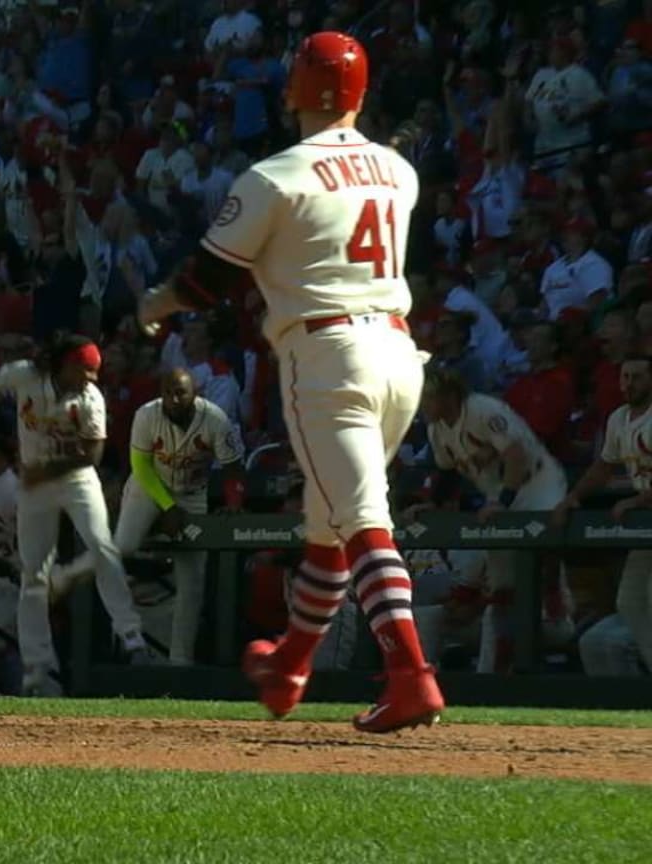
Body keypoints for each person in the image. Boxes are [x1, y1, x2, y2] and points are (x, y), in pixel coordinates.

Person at [139, 31, 444, 733]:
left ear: (291, 93)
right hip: (400, 355)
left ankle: (411, 674)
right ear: (362, 93)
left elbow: (206, 281)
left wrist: (156, 302)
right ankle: (291, 665)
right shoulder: (400, 170)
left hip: (328, 353)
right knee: (328, 524)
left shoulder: (275, 176)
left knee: (363, 520)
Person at [0, 333, 148, 697]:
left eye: (95, 372)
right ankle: (37, 670)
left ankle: (131, 637)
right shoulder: (25, 375)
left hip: (74, 479)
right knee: (33, 574)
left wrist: (46, 470)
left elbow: (92, 455)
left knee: (102, 545)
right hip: (35, 485)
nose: (92, 378)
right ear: (64, 364)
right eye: (85, 370)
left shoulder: (90, 398)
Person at [51, 367, 245, 665]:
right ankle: (85, 589)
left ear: (195, 393)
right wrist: (167, 507)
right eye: (167, 392)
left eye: (180, 392)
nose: (173, 399)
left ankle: (180, 663)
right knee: (123, 547)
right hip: (149, 485)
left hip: (192, 493)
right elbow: (140, 467)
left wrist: (233, 502)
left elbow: (233, 468)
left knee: (192, 582)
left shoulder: (216, 419)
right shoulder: (147, 415)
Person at [415, 368, 567, 673]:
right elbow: (447, 473)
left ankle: (557, 618)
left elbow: (516, 454)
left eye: (426, 397)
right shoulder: (438, 430)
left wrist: (503, 501)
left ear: (447, 395)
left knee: (541, 558)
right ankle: (501, 670)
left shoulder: (483, 409)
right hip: (500, 495)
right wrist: (430, 504)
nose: (421, 405)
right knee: (502, 588)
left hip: (538, 485)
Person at [553, 355, 652, 673]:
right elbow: (603, 467)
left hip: (644, 513)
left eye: (637, 377)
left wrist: (638, 500)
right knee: (631, 602)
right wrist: (574, 496)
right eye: (624, 377)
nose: (628, 384)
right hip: (645, 526)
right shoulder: (619, 418)